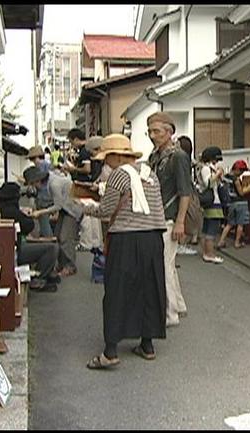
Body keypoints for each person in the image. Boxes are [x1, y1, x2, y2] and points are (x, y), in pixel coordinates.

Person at [80, 134, 167, 369]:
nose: (106, 162)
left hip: (126, 239)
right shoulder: (150, 174)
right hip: (153, 238)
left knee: (118, 291)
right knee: (149, 289)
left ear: (117, 156)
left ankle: (110, 351)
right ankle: (147, 344)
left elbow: (107, 210)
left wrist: (87, 208)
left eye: (107, 157)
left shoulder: (119, 174)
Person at [147, 112, 192, 327]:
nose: (152, 135)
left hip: (170, 217)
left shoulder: (178, 157)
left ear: (169, 132)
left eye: (156, 131)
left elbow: (185, 192)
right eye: (150, 131)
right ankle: (178, 305)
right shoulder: (156, 155)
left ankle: (170, 313)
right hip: (159, 216)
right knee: (168, 264)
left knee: (163, 265)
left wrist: (181, 221)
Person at [0, 182, 60, 292]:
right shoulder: (10, 210)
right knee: (52, 248)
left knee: (46, 244)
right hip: (15, 251)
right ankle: (38, 279)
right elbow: (29, 225)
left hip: (5, 250)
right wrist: (23, 213)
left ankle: (43, 274)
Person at [25, 165, 83, 277]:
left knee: (66, 237)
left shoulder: (53, 184)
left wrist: (40, 212)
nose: (33, 187)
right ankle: (62, 264)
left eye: (32, 184)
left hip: (72, 209)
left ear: (37, 181)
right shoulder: (51, 180)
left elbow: (58, 205)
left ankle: (70, 266)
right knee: (57, 236)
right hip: (66, 208)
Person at [196, 146, 226, 264]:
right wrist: (217, 174)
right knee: (212, 230)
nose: (217, 162)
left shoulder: (205, 168)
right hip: (213, 202)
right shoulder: (206, 169)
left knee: (206, 229)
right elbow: (208, 183)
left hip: (210, 202)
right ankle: (209, 254)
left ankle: (205, 252)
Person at [218, 160, 250, 249]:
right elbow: (241, 193)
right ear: (237, 169)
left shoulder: (226, 177)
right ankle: (237, 242)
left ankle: (221, 241)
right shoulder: (236, 179)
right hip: (241, 203)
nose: (242, 173)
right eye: (241, 171)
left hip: (231, 203)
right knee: (240, 224)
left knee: (229, 224)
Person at [175, 135, 199, 256]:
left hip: (185, 192)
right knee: (187, 218)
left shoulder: (181, 159)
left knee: (187, 218)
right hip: (187, 192)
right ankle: (180, 244)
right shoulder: (184, 160)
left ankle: (181, 243)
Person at [25, 145, 54, 238]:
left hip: (43, 197)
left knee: (44, 222)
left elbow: (38, 181)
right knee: (47, 222)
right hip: (50, 196)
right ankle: (47, 238)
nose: (33, 161)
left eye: (32, 159)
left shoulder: (39, 165)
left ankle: (48, 240)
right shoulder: (48, 164)